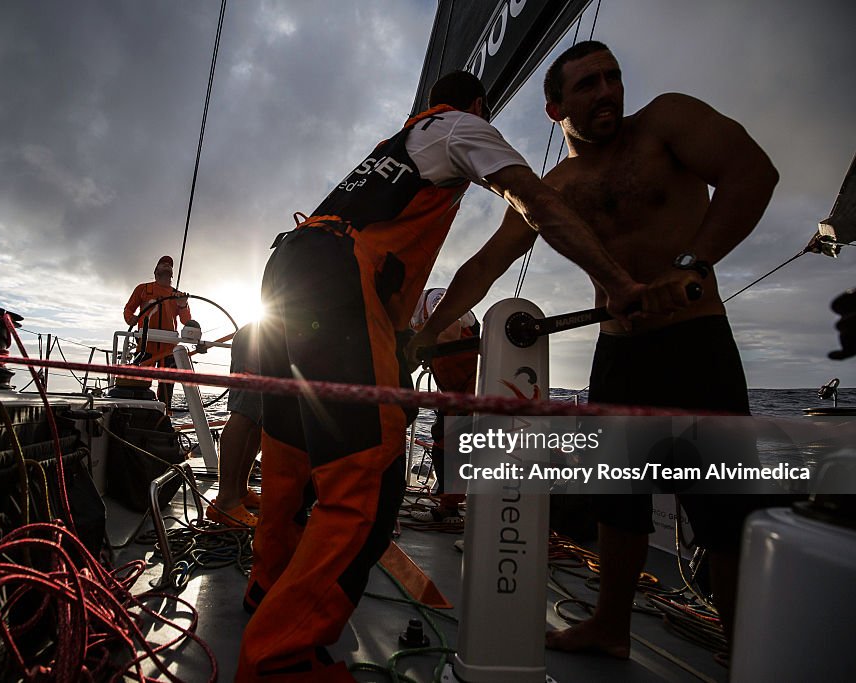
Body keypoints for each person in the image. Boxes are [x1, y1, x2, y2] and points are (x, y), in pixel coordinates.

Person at [238, 70, 646, 682]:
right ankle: (280, 661)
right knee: (367, 480)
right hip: (341, 282)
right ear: (479, 104)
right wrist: (618, 281)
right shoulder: (462, 127)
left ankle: (265, 593)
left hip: (289, 268)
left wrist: (415, 337)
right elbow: (532, 200)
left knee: (290, 454)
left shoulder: (394, 149)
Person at [408, 41, 779, 661]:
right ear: (555, 108)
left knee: (722, 503)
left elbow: (752, 173)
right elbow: (485, 266)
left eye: (612, 78)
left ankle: (743, 650)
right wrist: (424, 336)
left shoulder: (668, 122)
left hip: (696, 341)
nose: (606, 91)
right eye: (586, 85)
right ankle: (609, 626)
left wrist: (693, 264)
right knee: (619, 497)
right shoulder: (556, 189)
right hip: (620, 353)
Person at [409, 287, 479, 524]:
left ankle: (453, 510)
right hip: (453, 391)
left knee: (457, 446)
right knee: (442, 441)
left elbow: (449, 333)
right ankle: (447, 507)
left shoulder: (435, 299)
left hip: (473, 388)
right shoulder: (414, 318)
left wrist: (418, 346)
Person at [206, 323, 263, 528]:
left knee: (259, 418)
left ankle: (240, 491)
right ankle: (226, 502)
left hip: (275, 336)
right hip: (262, 338)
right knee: (245, 412)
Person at [122, 255, 192, 410]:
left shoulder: (177, 295)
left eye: (169, 265)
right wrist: (131, 319)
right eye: (163, 264)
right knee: (140, 384)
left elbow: (186, 321)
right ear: (155, 271)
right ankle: (137, 413)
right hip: (145, 344)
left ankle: (164, 417)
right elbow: (128, 309)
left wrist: (182, 305)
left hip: (168, 348)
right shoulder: (143, 289)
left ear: (172, 273)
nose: (167, 265)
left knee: (167, 389)